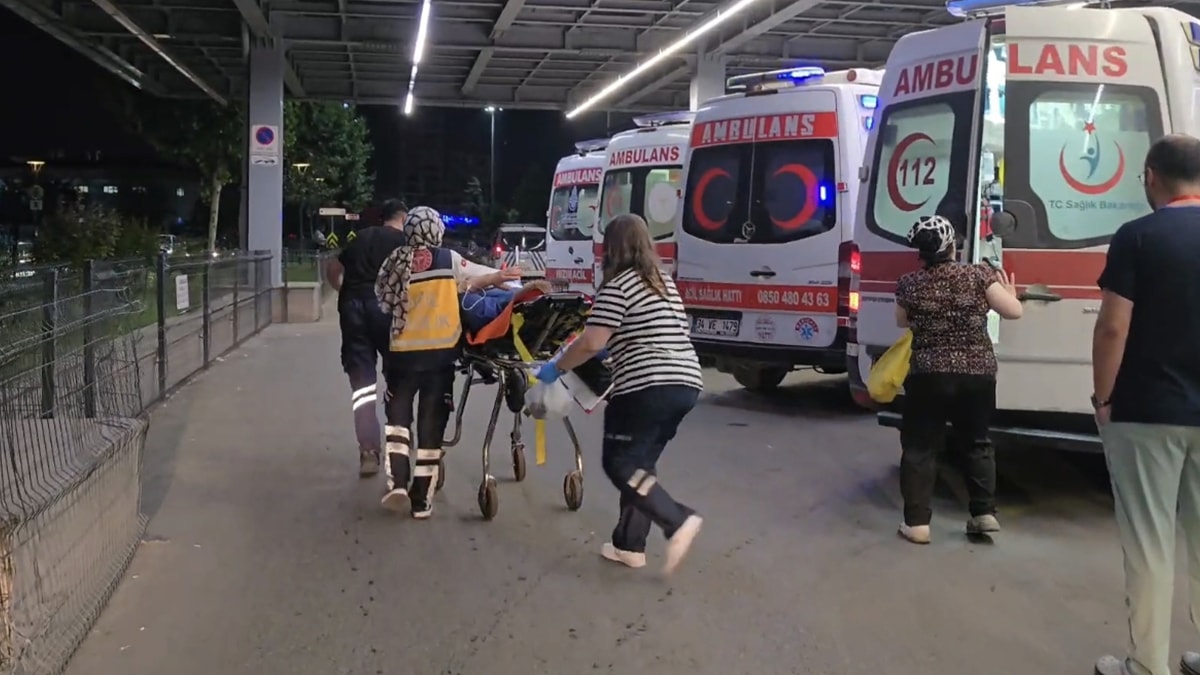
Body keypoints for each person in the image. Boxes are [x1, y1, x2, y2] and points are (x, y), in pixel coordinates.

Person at [535, 214, 704, 576]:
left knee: (620, 464)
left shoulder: (618, 286)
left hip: (646, 386)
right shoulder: (662, 282)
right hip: (685, 383)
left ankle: (677, 519)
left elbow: (592, 342)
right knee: (640, 465)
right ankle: (629, 545)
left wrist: (557, 368)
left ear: (611, 248)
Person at [1092, 135, 1200, 675]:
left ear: (1151, 176)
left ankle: (1147, 664)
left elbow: (1113, 326)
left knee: (1150, 542)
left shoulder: (1137, 236)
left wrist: (1104, 398)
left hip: (1147, 410)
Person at [375, 206, 521, 519]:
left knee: (398, 421)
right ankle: (421, 501)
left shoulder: (394, 261)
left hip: (401, 356)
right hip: (439, 357)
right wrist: (500, 278)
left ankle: (397, 482)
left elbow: (383, 302)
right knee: (431, 427)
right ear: (436, 232)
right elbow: (475, 276)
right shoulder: (447, 259)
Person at [892, 214, 1023, 545]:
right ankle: (983, 513)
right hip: (977, 375)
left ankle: (917, 524)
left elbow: (901, 321)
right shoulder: (978, 275)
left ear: (921, 252)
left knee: (920, 447)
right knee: (977, 441)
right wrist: (1010, 293)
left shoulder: (909, 283)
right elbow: (1013, 311)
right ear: (952, 246)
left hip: (928, 375)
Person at [324, 199, 408, 477]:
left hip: (353, 308)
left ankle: (369, 451)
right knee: (397, 379)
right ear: (403, 218)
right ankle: (398, 448)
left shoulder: (360, 238)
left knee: (362, 384)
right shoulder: (404, 242)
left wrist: (343, 291)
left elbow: (333, 269)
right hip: (386, 310)